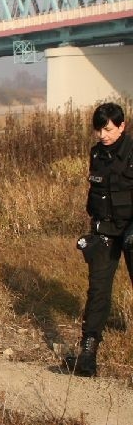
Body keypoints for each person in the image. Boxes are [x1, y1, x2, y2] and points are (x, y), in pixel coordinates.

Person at [69, 102, 133, 377]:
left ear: (122, 126)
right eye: (98, 130)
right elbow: (96, 194)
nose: (102, 135)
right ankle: (88, 352)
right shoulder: (96, 153)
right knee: (98, 291)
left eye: (107, 129)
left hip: (131, 229)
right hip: (105, 230)